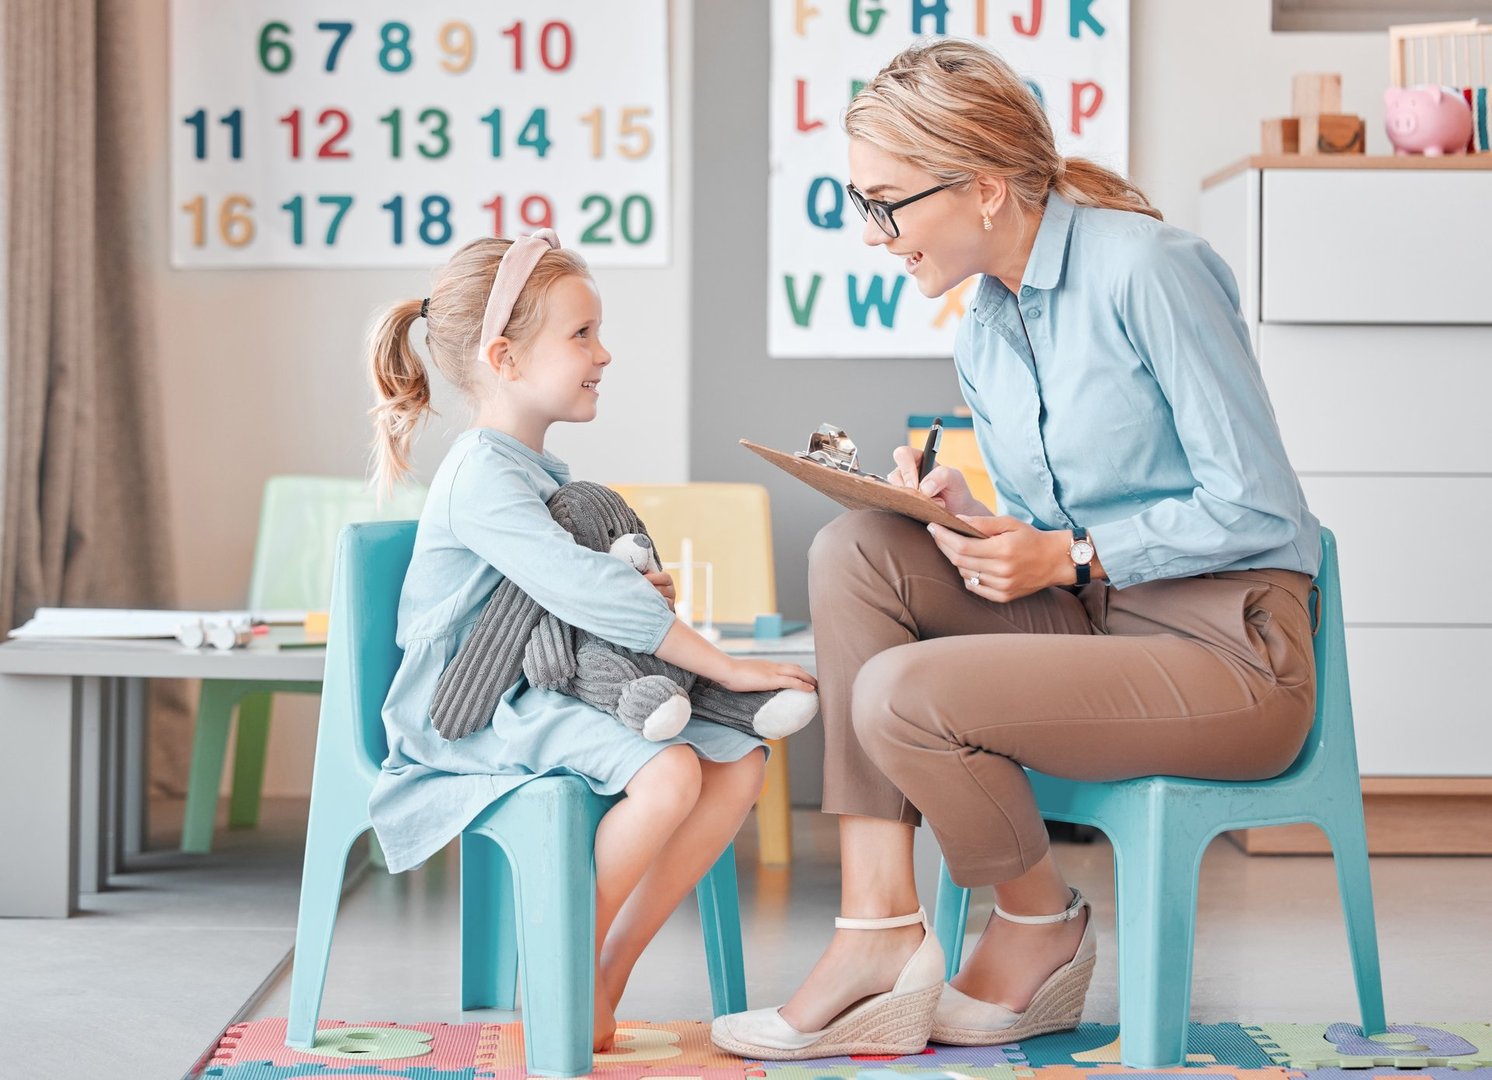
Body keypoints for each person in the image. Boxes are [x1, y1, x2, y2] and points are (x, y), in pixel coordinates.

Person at [711, 39, 1320, 1059]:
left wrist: (1071, 556)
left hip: (1229, 654)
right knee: (856, 547)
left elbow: (1259, 509)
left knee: (901, 691)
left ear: (985, 189)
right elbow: (1048, 534)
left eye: (886, 203)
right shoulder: (986, 327)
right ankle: (876, 929)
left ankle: (1040, 922)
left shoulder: (1150, 270)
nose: (873, 235)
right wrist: (969, 523)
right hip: (1099, 630)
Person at [364, 230, 817, 1050]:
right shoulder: (480, 476)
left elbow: (572, 594)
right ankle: (565, 967)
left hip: (539, 693)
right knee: (671, 768)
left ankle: (606, 971)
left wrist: (643, 593)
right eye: (581, 336)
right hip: (472, 709)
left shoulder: (543, 475)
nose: (603, 354)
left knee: (738, 759)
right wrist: (720, 663)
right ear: (504, 357)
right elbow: (579, 590)